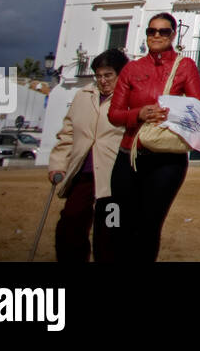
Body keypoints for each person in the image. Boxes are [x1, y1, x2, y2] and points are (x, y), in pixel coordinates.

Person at [107, 12, 200, 262]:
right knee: (120, 225)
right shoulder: (131, 69)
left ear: (173, 35)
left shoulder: (185, 67)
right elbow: (114, 114)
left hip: (166, 161)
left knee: (149, 226)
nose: (157, 36)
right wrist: (139, 114)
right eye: (152, 31)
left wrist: (169, 113)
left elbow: (199, 108)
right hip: (129, 156)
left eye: (163, 31)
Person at [48, 49, 128, 262]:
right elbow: (67, 133)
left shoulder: (130, 99)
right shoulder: (82, 96)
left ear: (121, 74)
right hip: (83, 174)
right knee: (70, 223)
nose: (102, 80)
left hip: (114, 180)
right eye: (99, 75)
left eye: (108, 75)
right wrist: (58, 164)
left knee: (109, 230)